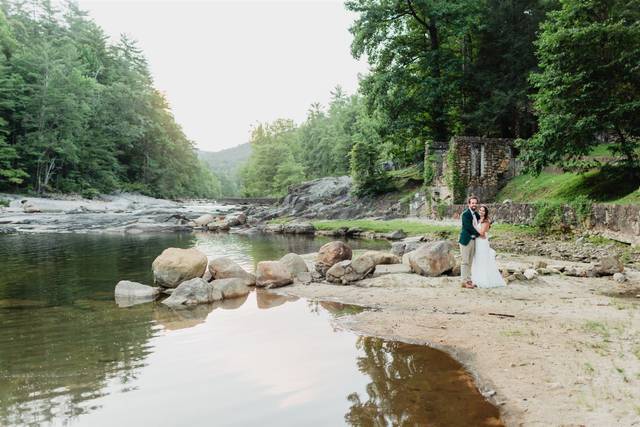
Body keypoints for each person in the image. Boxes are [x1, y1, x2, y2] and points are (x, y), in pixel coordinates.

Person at [471, 205, 506, 288]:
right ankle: (476, 279)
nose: (481, 212)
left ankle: (484, 281)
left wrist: (474, 229)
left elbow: (482, 233)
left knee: (483, 260)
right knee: (477, 260)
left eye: (483, 211)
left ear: (485, 212)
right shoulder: (478, 220)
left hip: (482, 243)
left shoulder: (486, 221)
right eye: (480, 210)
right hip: (477, 242)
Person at [459, 196, 481, 289]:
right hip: (466, 240)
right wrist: (479, 233)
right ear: (469, 204)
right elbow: (468, 227)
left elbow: (481, 222)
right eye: (472, 203)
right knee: (465, 261)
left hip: (473, 240)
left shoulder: (476, 215)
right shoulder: (465, 214)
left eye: (475, 203)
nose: (474, 204)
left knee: (470, 261)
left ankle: (468, 280)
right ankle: (464, 281)